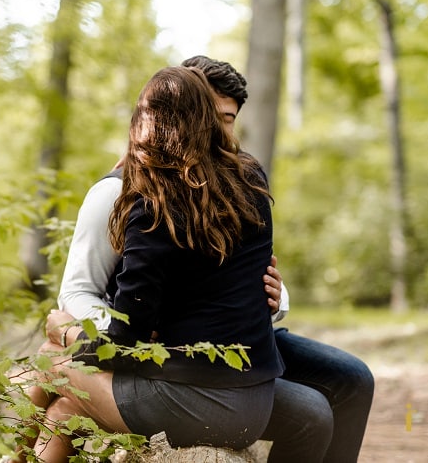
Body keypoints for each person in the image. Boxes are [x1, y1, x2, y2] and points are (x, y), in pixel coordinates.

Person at [46, 56, 374, 462]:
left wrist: (275, 297)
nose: (216, 132)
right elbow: (78, 292)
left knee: (352, 379)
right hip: (159, 347)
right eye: (207, 116)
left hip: (234, 346)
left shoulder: (237, 181)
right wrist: (102, 336)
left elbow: (243, 271)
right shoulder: (120, 194)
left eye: (228, 119)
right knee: (311, 412)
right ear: (179, 116)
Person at [30, 65, 285, 462]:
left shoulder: (154, 209)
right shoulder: (249, 179)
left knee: (55, 364)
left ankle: (6, 454)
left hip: (198, 402)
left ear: (144, 125)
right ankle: (14, 458)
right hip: (256, 401)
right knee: (65, 410)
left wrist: (67, 334)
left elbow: (124, 340)